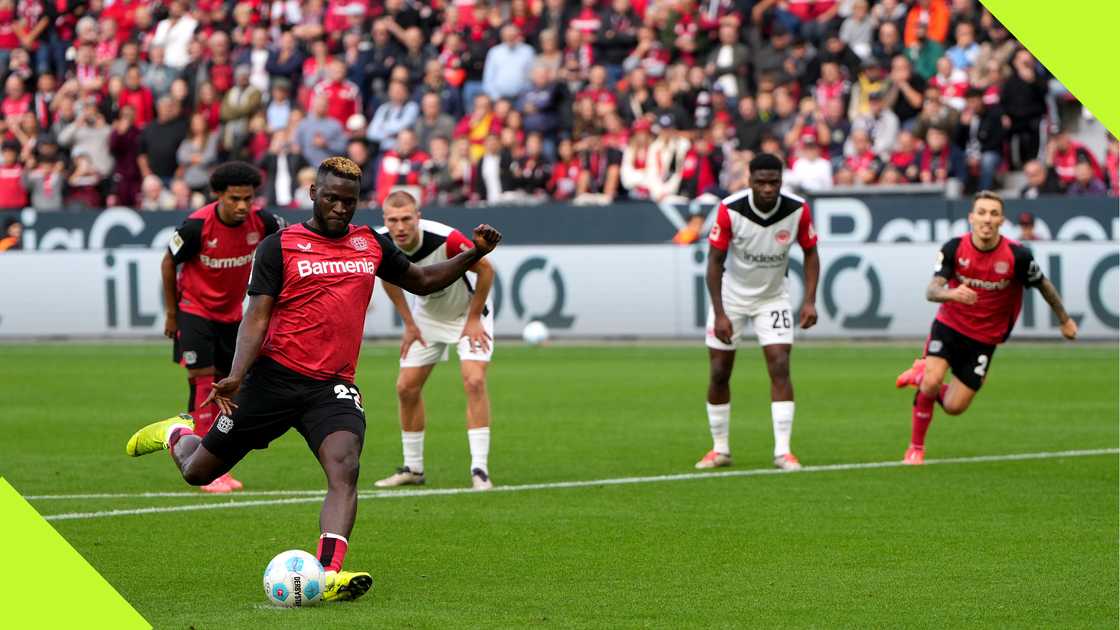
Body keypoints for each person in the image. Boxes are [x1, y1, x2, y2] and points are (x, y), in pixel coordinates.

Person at [126, 156, 503, 603]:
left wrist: (474, 252)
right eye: (332, 199)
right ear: (312, 195)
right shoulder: (279, 246)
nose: (341, 208)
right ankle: (177, 432)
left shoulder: (371, 243)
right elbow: (256, 318)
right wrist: (237, 374)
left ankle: (326, 573)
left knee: (345, 468)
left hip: (332, 386)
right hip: (272, 380)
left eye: (350, 201)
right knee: (198, 471)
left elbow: (421, 280)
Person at [894, 191, 1077, 465]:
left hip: (984, 340)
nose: (987, 219)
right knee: (933, 382)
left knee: (955, 407)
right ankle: (915, 448)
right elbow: (932, 291)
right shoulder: (954, 248)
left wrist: (1064, 319)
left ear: (1002, 220)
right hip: (949, 326)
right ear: (971, 217)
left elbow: (1044, 285)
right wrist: (952, 294)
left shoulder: (1018, 255)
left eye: (993, 214)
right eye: (981, 212)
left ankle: (920, 378)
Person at [158, 162, 284, 493]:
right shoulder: (196, 226)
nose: (243, 206)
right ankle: (205, 468)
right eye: (235, 199)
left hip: (233, 316)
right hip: (194, 310)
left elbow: (288, 248)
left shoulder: (265, 221)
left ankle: (193, 447)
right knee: (203, 381)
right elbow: (168, 261)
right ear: (219, 196)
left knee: (227, 389)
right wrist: (172, 314)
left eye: (248, 198)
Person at [698, 153, 820, 472]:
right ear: (749, 181)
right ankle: (720, 448)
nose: (768, 188)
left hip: (773, 297)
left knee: (780, 364)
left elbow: (811, 254)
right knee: (719, 372)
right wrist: (720, 313)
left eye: (774, 182)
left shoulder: (797, 210)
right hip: (732, 298)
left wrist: (809, 300)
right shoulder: (730, 210)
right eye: (761, 182)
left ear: (781, 181)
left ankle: (783, 450)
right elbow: (713, 264)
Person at [373, 192, 497, 490]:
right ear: (385, 220)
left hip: (469, 314)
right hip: (427, 317)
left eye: (406, 219)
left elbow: (486, 270)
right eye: (393, 220)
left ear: (418, 216)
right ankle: (413, 468)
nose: (400, 226)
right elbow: (387, 277)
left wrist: (473, 319)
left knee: (474, 381)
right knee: (406, 387)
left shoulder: (447, 239)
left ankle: (479, 469)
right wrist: (409, 323)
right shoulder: (380, 242)